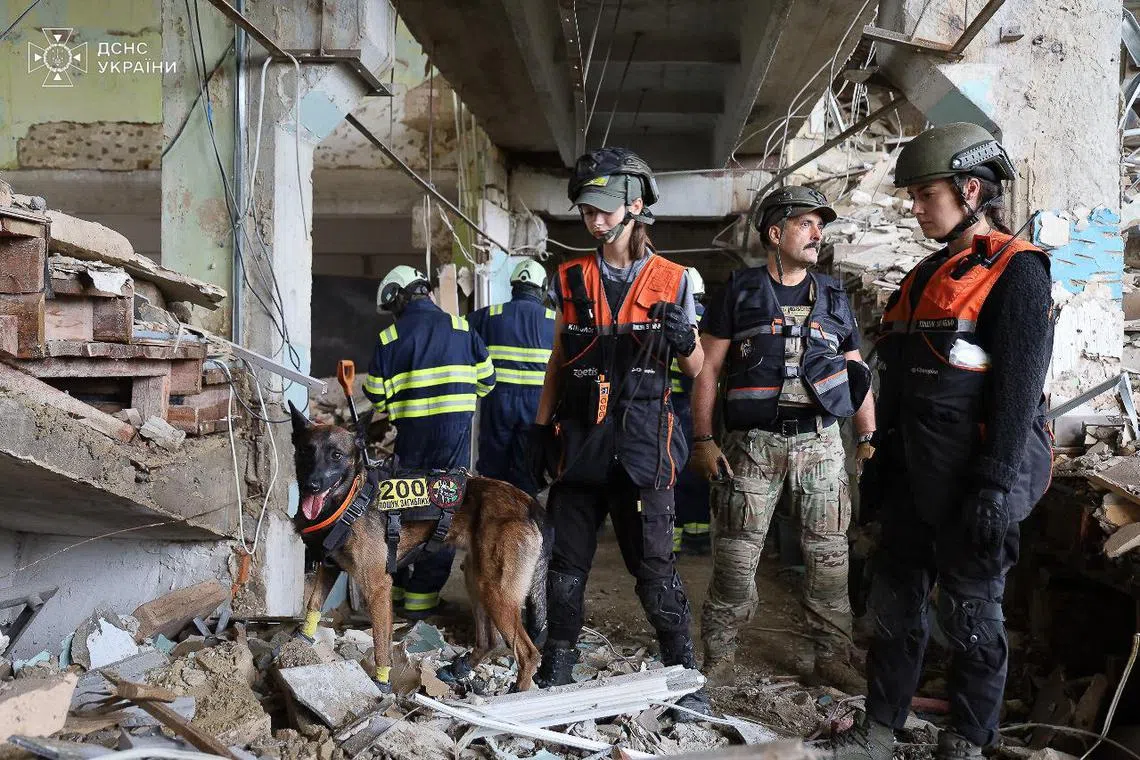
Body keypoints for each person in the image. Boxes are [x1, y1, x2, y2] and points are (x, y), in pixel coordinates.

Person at [828, 123, 1053, 760]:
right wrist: (878, 464)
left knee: (971, 617)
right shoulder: (926, 275)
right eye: (914, 196)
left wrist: (994, 485)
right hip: (912, 476)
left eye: (926, 194)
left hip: (970, 482)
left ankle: (967, 743)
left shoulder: (1018, 272)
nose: (916, 207)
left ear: (970, 190)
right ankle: (878, 731)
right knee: (894, 609)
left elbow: (1017, 392)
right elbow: (900, 384)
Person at [529, 147, 711, 718]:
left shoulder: (674, 280)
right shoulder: (570, 278)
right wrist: (540, 429)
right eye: (586, 210)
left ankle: (683, 674)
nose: (594, 219)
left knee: (655, 570)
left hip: (644, 447)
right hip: (580, 444)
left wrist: (685, 340)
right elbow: (558, 361)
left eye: (604, 208)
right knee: (566, 569)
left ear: (635, 205)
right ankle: (558, 663)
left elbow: (697, 368)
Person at [691, 186, 875, 692]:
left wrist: (867, 436)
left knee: (830, 559)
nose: (818, 234)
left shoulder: (834, 295)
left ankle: (831, 657)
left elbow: (856, 372)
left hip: (821, 444)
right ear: (775, 233)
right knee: (735, 558)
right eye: (806, 224)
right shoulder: (740, 290)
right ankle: (720, 654)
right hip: (752, 446)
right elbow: (708, 370)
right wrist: (703, 438)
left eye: (821, 226)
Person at [362, 265, 496, 619]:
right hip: (453, 447)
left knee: (402, 513)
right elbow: (488, 382)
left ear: (397, 300)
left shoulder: (389, 338)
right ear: (426, 292)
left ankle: (398, 590)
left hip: (411, 445)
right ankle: (423, 599)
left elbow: (376, 397)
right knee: (444, 514)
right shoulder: (463, 328)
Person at [468, 259, 556, 496]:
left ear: (513, 285)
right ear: (542, 287)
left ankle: (490, 511)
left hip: (498, 401)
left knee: (492, 468)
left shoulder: (489, 316)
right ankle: (522, 514)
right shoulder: (554, 321)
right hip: (537, 405)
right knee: (527, 468)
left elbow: (458, 336)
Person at [671, 267, 711, 555]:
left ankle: (671, 539)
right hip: (701, 405)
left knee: (671, 469)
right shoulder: (710, 319)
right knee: (699, 467)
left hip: (671, 405)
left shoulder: (670, 316)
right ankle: (698, 537)